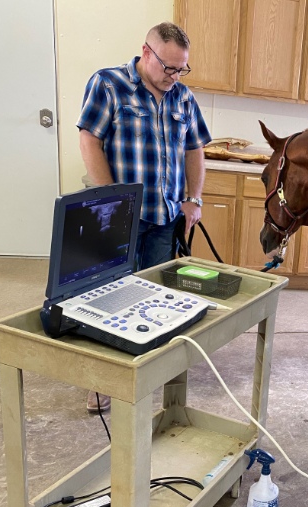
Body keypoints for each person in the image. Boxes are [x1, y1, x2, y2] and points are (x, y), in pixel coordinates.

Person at [76, 22, 212, 413]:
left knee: (156, 297)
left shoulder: (183, 97)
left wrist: (194, 198)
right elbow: (90, 138)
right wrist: (111, 201)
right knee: (110, 297)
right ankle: (103, 382)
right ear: (146, 53)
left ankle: (148, 368)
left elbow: (195, 149)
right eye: (168, 67)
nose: (174, 76)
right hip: (119, 218)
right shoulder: (108, 84)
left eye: (181, 69)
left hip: (164, 217)